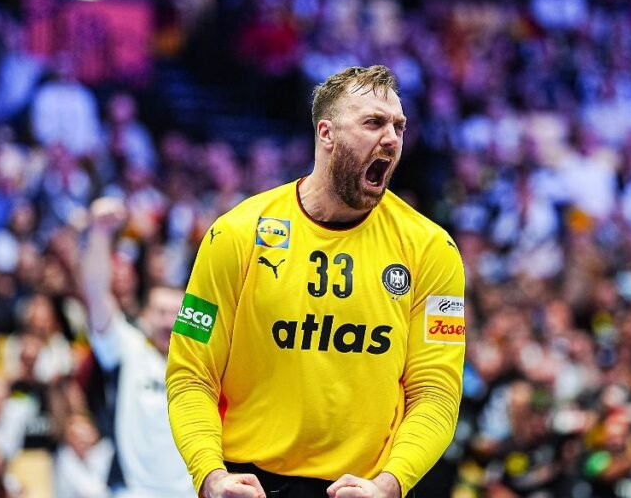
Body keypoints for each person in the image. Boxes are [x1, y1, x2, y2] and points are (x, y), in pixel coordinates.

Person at [166, 65, 466, 498]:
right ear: (326, 133)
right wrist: (210, 476)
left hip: (364, 489)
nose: (391, 139)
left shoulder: (431, 249)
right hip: (250, 484)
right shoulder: (237, 233)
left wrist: (391, 483)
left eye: (399, 126)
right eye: (373, 123)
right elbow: (191, 375)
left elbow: (435, 392)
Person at [80, 198, 191, 497]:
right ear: (145, 316)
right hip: (132, 490)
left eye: (176, 313)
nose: (169, 321)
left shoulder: (201, 362)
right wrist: (100, 234)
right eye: (161, 313)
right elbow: (96, 293)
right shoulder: (128, 348)